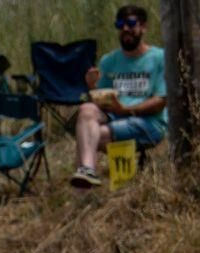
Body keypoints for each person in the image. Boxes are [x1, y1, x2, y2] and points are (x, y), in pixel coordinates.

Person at [70, 5, 167, 189]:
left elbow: (161, 102)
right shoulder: (109, 61)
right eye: (120, 24)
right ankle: (88, 171)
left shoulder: (159, 58)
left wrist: (125, 109)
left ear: (143, 27)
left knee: (89, 136)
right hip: (116, 116)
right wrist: (92, 87)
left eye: (131, 23)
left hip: (149, 123)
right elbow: (100, 101)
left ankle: (83, 193)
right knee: (85, 110)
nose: (125, 29)